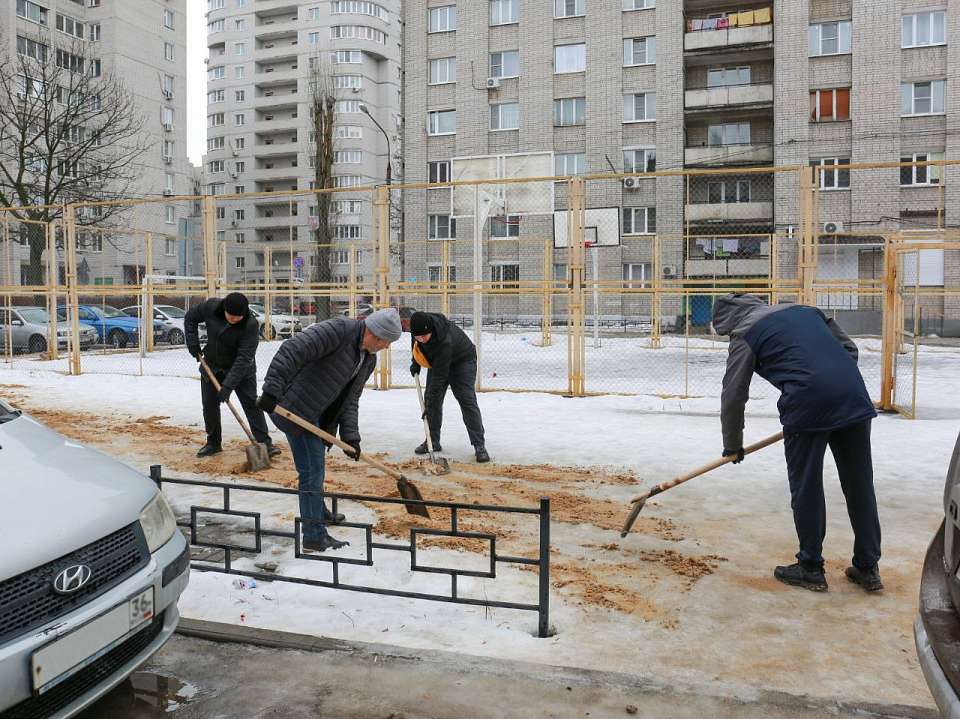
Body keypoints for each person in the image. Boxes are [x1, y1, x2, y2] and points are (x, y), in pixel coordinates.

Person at [712, 293, 882, 593]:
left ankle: (810, 567)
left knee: (807, 486)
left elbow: (734, 393)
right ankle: (868, 568)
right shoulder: (806, 310)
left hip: (807, 406)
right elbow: (848, 349)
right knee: (859, 484)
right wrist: (832, 384)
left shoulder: (745, 333)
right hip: (853, 398)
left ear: (728, 322)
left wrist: (732, 444)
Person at [257, 308, 403, 552]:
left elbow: (350, 399)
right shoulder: (339, 331)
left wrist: (350, 437)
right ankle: (314, 535)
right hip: (296, 410)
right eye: (387, 342)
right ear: (376, 334)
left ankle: (317, 511)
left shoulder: (367, 358)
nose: (387, 348)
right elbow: (292, 350)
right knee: (312, 471)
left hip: (321, 417)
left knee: (315, 469)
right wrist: (272, 389)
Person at [184, 293, 278, 459]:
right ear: (224, 309)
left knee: (251, 404)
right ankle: (213, 443)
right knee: (210, 405)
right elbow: (190, 318)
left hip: (242, 371)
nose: (235, 319)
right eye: (231, 316)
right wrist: (192, 342)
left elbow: (243, 359)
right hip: (212, 365)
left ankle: (265, 443)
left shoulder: (250, 324)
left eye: (239, 317)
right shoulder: (210, 307)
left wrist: (228, 386)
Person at [405, 311, 488, 463]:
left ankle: (479, 445)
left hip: (462, 361)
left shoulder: (445, 341)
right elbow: (416, 346)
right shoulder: (418, 330)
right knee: (432, 400)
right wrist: (415, 362)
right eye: (418, 336)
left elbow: (439, 377)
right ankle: (433, 441)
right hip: (438, 362)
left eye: (425, 336)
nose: (422, 340)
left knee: (466, 399)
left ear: (430, 329)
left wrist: (428, 405)